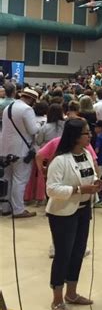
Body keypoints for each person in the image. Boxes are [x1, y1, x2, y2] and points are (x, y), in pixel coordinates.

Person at [45, 119, 102, 310]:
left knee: (78, 252)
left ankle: (71, 293)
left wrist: (96, 183)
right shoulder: (60, 160)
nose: (90, 136)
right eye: (87, 133)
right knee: (63, 254)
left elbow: (90, 175)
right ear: (76, 137)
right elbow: (51, 189)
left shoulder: (86, 154)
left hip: (83, 209)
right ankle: (57, 299)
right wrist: (78, 190)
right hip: (63, 213)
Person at [0, 87, 40, 218]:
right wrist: (40, 125)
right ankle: (18, 210)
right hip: (21, 150)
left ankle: (5, 207)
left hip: (5, 149)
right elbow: (33, 130)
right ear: (31, 99)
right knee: (20, 180)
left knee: (7, 179)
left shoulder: (8, 108)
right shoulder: (27, 109)